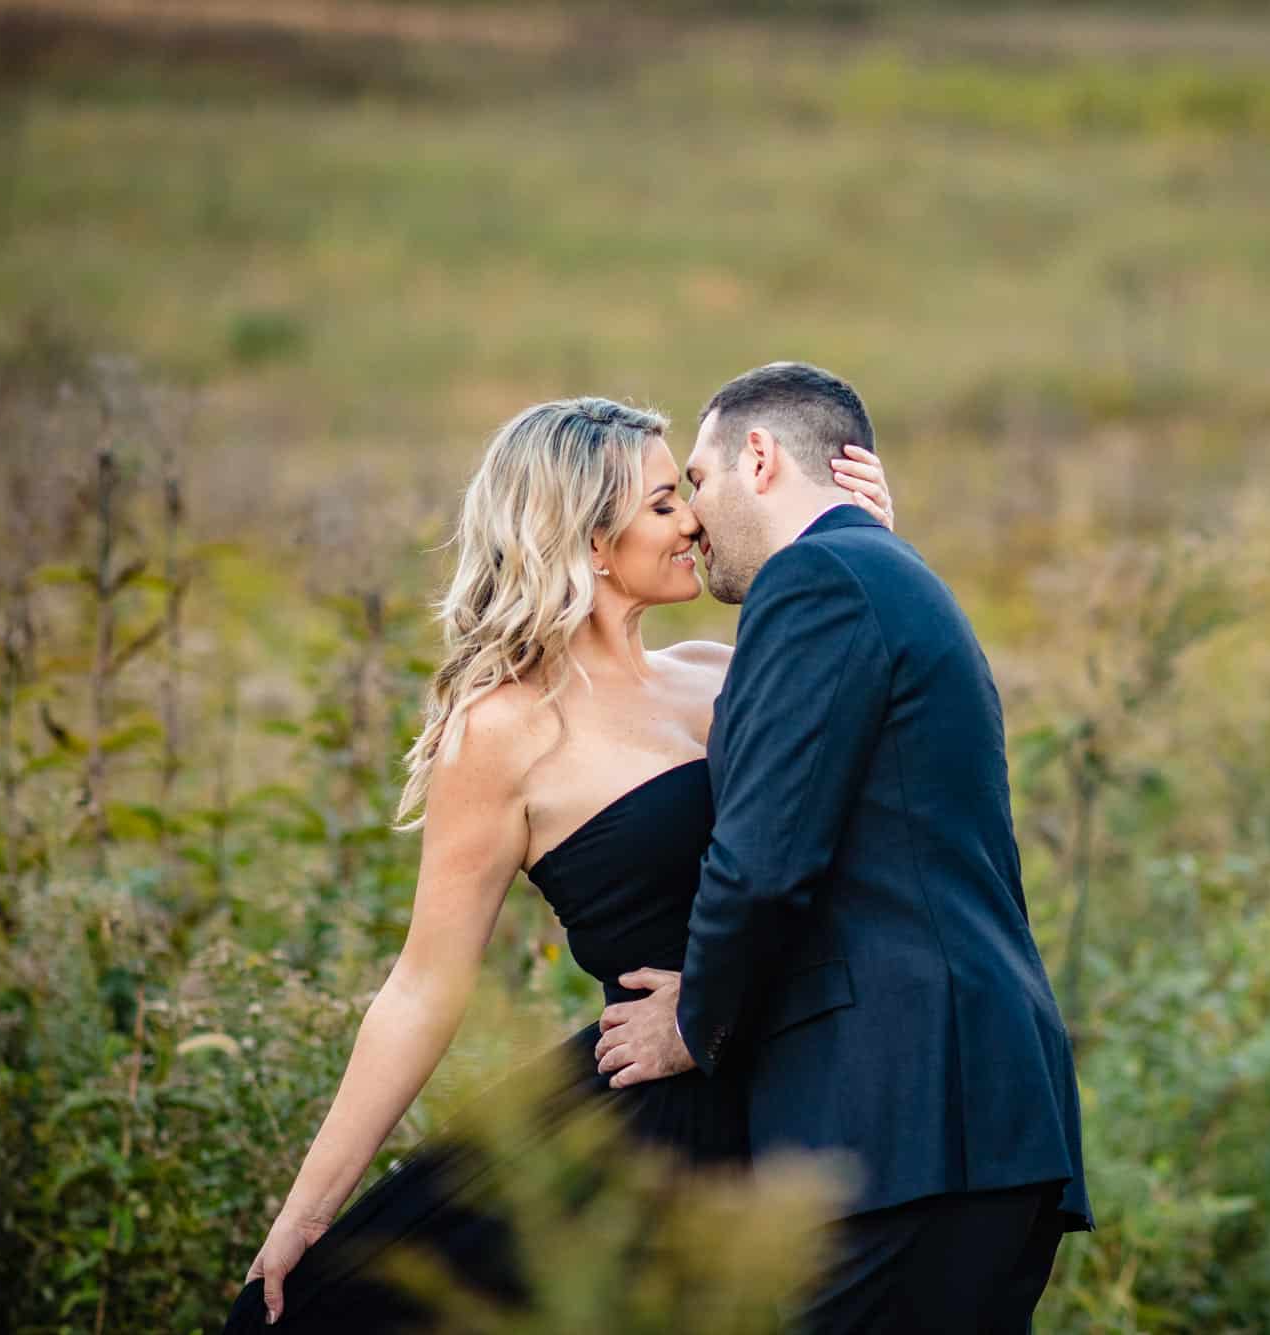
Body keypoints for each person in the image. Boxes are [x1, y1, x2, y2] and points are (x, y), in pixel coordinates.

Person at [223, 394, 896, 1331]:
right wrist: (306, 1212)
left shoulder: (721, 669)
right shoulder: (503, 731)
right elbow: (424, 987)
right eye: (664, 504)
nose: (697, 519)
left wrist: (869, 545)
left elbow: (886, 740)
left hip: (812, 1084)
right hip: (658, 1128)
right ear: (586, 542)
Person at [591, 362, 1092, 1334]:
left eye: (697, 479)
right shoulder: (877, 576)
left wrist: (695, 1019)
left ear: (762, 458)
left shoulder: (817, 581)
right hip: (963, 1117)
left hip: (905, 1118)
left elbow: (764, 861)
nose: (691, 517)